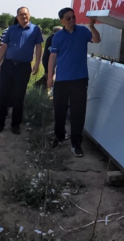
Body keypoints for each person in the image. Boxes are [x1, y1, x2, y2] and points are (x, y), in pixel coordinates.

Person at [47, 8, 101, 157]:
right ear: (62, 21)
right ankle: (59, 136)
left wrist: (92, 26)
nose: (72, 20)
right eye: (68, 18)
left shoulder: (83, 31)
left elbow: (97, 40)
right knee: (59, 110)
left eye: (73, 17)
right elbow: (52, 57)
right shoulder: (57, 37)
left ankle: (76, 143)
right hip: (62, 79)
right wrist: (49, 76)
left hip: (79, 79)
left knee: (78, 112)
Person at [0, 7, 43, 134]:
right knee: (3, 95)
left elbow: (38, 47)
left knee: (19, 96)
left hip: (23, 67)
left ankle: (16, 125)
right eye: (21, 15)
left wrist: (37, 63)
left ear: (29, 15)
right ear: (17, 17)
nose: (24, 17)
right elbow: (4, 46)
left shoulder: (35, 29)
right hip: (8, 65)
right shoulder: (11, 29)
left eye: (26, 14)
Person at [33, 26, 62, 91]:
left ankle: (41, 85)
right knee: (49, 74)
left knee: (49, 74)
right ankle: (41, 86)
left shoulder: (51, 37)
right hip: (48, 59)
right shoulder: (53, 38)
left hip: (47, 59)